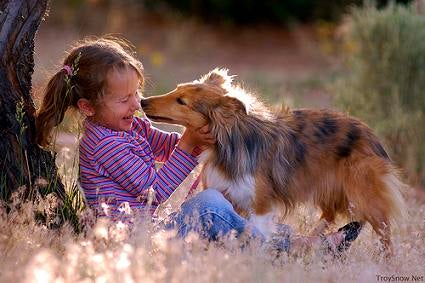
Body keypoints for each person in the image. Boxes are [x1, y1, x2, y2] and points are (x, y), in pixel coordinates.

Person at [35, 37, 361, 257]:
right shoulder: (103, 145)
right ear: (88, 108)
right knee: (209, 204)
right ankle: (301, 248)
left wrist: (195, 137)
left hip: (151, 231)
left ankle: (269, 242)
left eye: (137, 93)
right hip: (134, 243)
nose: (136, 104)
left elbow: (165, 148)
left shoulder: (128, 124)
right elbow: (153, 191)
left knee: (216, 203)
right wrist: (189, 146)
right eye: (124, 99)